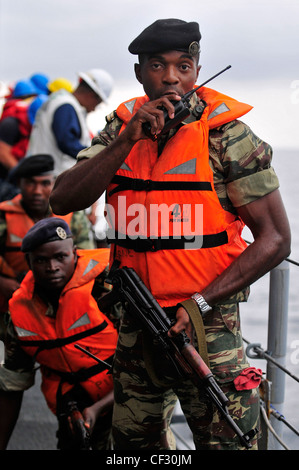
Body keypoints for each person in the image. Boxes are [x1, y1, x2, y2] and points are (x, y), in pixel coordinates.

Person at [50, 19, 291, 450]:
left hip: (207, 330)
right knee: (133, 451)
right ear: (141, 72)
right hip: (135, 326)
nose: (171, 78)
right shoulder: (120, 126)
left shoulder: (228, 136)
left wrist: (199, 303)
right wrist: (126, 141)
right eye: (158, 66)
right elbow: (62, 199)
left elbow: (275, 239)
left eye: (184, 65)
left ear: (197, 70)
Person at [0, 218, 118, 450]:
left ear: (74, 254)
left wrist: (99, 408)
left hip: (127, 395)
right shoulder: (19, 312)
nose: (52, 267)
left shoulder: (107, 287)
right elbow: (13, 385)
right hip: (73, 405)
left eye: (60, 257)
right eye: (42, 260)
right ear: (29, 262)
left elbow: (146, 366)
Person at [0, 154, 95, 340]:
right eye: (30, 183)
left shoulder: (72, 215)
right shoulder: (3, 214)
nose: (37, 191)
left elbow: (87, 258)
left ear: (54, 184)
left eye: (44, 184)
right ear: (19, 184)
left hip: (66, 303)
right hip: (13, 299)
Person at [26, 69, 114, 176]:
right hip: (51, 178)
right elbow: (67, 143)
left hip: (41, 173)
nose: (94, 109)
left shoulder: (59, 101)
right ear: (93, 95)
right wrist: (99, 155)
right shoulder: (66, 106)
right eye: (98, 103)